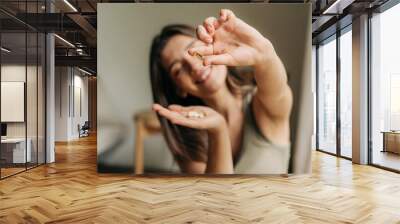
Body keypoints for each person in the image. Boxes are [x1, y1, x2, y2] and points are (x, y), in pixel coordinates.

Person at [150, 9, 292, 174]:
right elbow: (216, 195)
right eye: (177, 69)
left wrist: (264, 53)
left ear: (212, 45)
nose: (194, 66)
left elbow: (278, 88)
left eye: (194, 50)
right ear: (178, 88)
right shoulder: (187, 135)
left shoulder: (262, 103)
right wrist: (218, 130)